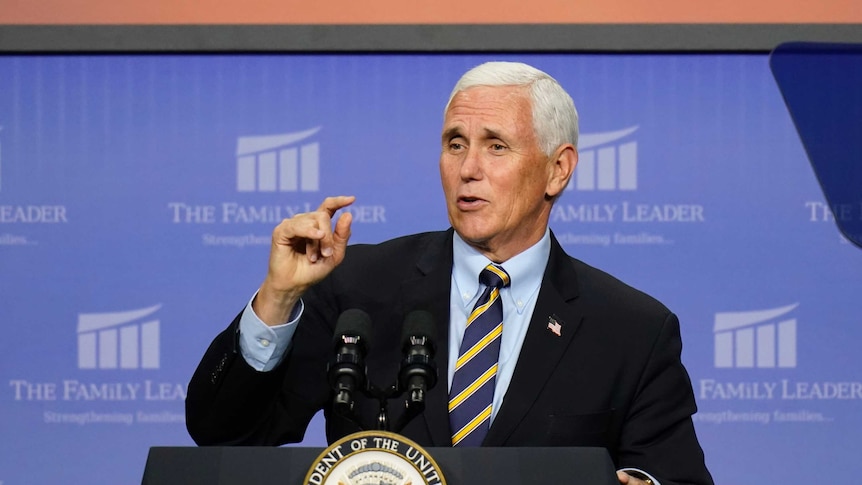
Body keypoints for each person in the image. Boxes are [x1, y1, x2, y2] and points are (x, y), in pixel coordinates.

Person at [186, 61, 713, 485]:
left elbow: (673, 472)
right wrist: (277, 299)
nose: (467, 169)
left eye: (496, 146)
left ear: (558, 169)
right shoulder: (357, 287)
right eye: (455, 143)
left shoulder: (631, 329)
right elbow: (224, 435)